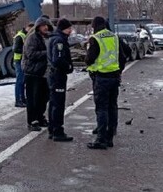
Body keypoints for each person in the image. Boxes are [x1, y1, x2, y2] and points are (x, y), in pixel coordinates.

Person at [85, 16, 131, 150]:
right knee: (112, 107)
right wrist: (119, 70)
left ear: (94, 26)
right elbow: (123, 55)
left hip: (101, 77)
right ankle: (110, 137)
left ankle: (101, 139)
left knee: (101, 109)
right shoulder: (114, 36)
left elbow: (89, 59)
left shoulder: (96, 38)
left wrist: (88, 60)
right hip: (114, 77)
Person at [46, 18, 74, 142]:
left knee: (53, 102)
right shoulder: (59, 41)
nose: (71, 31)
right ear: (64, 29)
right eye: (69, 28)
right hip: (58, 75)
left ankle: (52, 128)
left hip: (54, 75)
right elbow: (58, 60)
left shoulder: (54, 38)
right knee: (58, 103)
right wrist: (68, 66)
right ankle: (57, 130)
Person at [22, 15, 51, 131]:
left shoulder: (48, 37)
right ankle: (32, 121)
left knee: (44, 97)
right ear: (38, 27)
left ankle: (40, 117)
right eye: (43, 25)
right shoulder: (32, 38)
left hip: (44, 72)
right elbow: (31, 54)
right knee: (33, 98)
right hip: (33, 72)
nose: (45, 27)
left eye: (47, 25)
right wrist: (47, 52)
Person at [12, 23, 33, 108]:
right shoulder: (20, 36)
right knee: (20, 81)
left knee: (23, 81)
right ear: (28, 27)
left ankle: (23, 99)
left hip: (23, 60)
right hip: (19, 60)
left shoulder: (24, 35)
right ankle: (18, 100)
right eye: (31, 29)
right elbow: (16, 49)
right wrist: (26, 51)